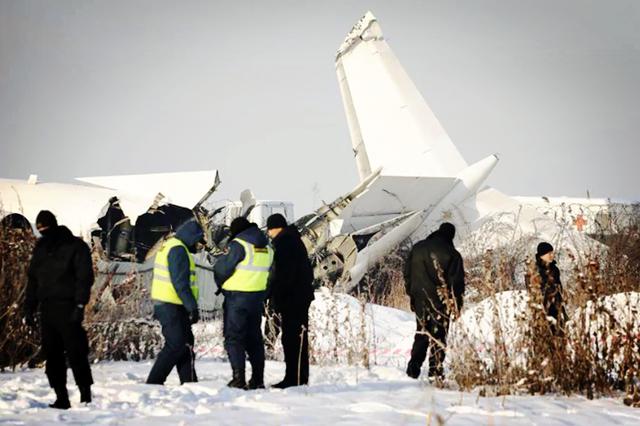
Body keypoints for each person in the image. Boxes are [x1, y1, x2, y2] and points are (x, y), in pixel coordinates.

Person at [24, 210, 94, 409]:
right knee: (56, 355)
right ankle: (64, 397)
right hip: (51, 309)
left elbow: (84, 277)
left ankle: (84, 397)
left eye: (44, 227)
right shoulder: (43, 247)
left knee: (74, 353)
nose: (43, 232)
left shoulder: (72, 246)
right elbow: (33, 280)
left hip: (67, 307)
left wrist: (80, 304)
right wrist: (29, 308)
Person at [214, 217, 273, 390]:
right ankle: (258, 379)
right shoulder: (267, 247)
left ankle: (238, 378)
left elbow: (222, 268)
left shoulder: (238, 244)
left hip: (236, 298)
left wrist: (222, 285)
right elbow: (271, 274)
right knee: (254, 339)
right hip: (256, 299)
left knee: (234, 338)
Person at [404, 222, 465, 380]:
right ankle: (435, 369)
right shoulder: (452, 254)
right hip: (440, 301)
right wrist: (456, 306)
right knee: (439, 334)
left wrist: (411, 294)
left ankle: (414, 366)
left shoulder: (418, 248)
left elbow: (407, 273)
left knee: (422, 330)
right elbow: (456, 284)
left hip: (419, 298)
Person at [146, 219, 203, 385]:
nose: (198, 245)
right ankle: (154, 383)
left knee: (186, 344)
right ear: (191, 237)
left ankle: (190, 383)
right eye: (197, 241)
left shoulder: (173, 246)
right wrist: (192, 307)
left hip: (172, 304)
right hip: (171, 304)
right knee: (176, 344)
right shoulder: (178, 250)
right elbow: (180, 283)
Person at [265, 213, 314, 388]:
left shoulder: (285, 244)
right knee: (297, 338)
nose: (269, 234)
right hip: (299, 297)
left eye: (269, 229)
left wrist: (276, 298)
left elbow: (284, 276)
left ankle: (294, 378)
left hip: (293, 299)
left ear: (275, 228)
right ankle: (299, 377)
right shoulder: (294, 240)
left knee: (292, 339)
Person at [532, 242, 566, 335]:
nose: (552, 255)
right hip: (543, 308)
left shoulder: (555, 269)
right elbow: (533, 292)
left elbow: (559, 288)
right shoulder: (535, 270)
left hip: (557, 307)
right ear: (542, 255)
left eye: (552, 252)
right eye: (549, 253)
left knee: (561, 334)